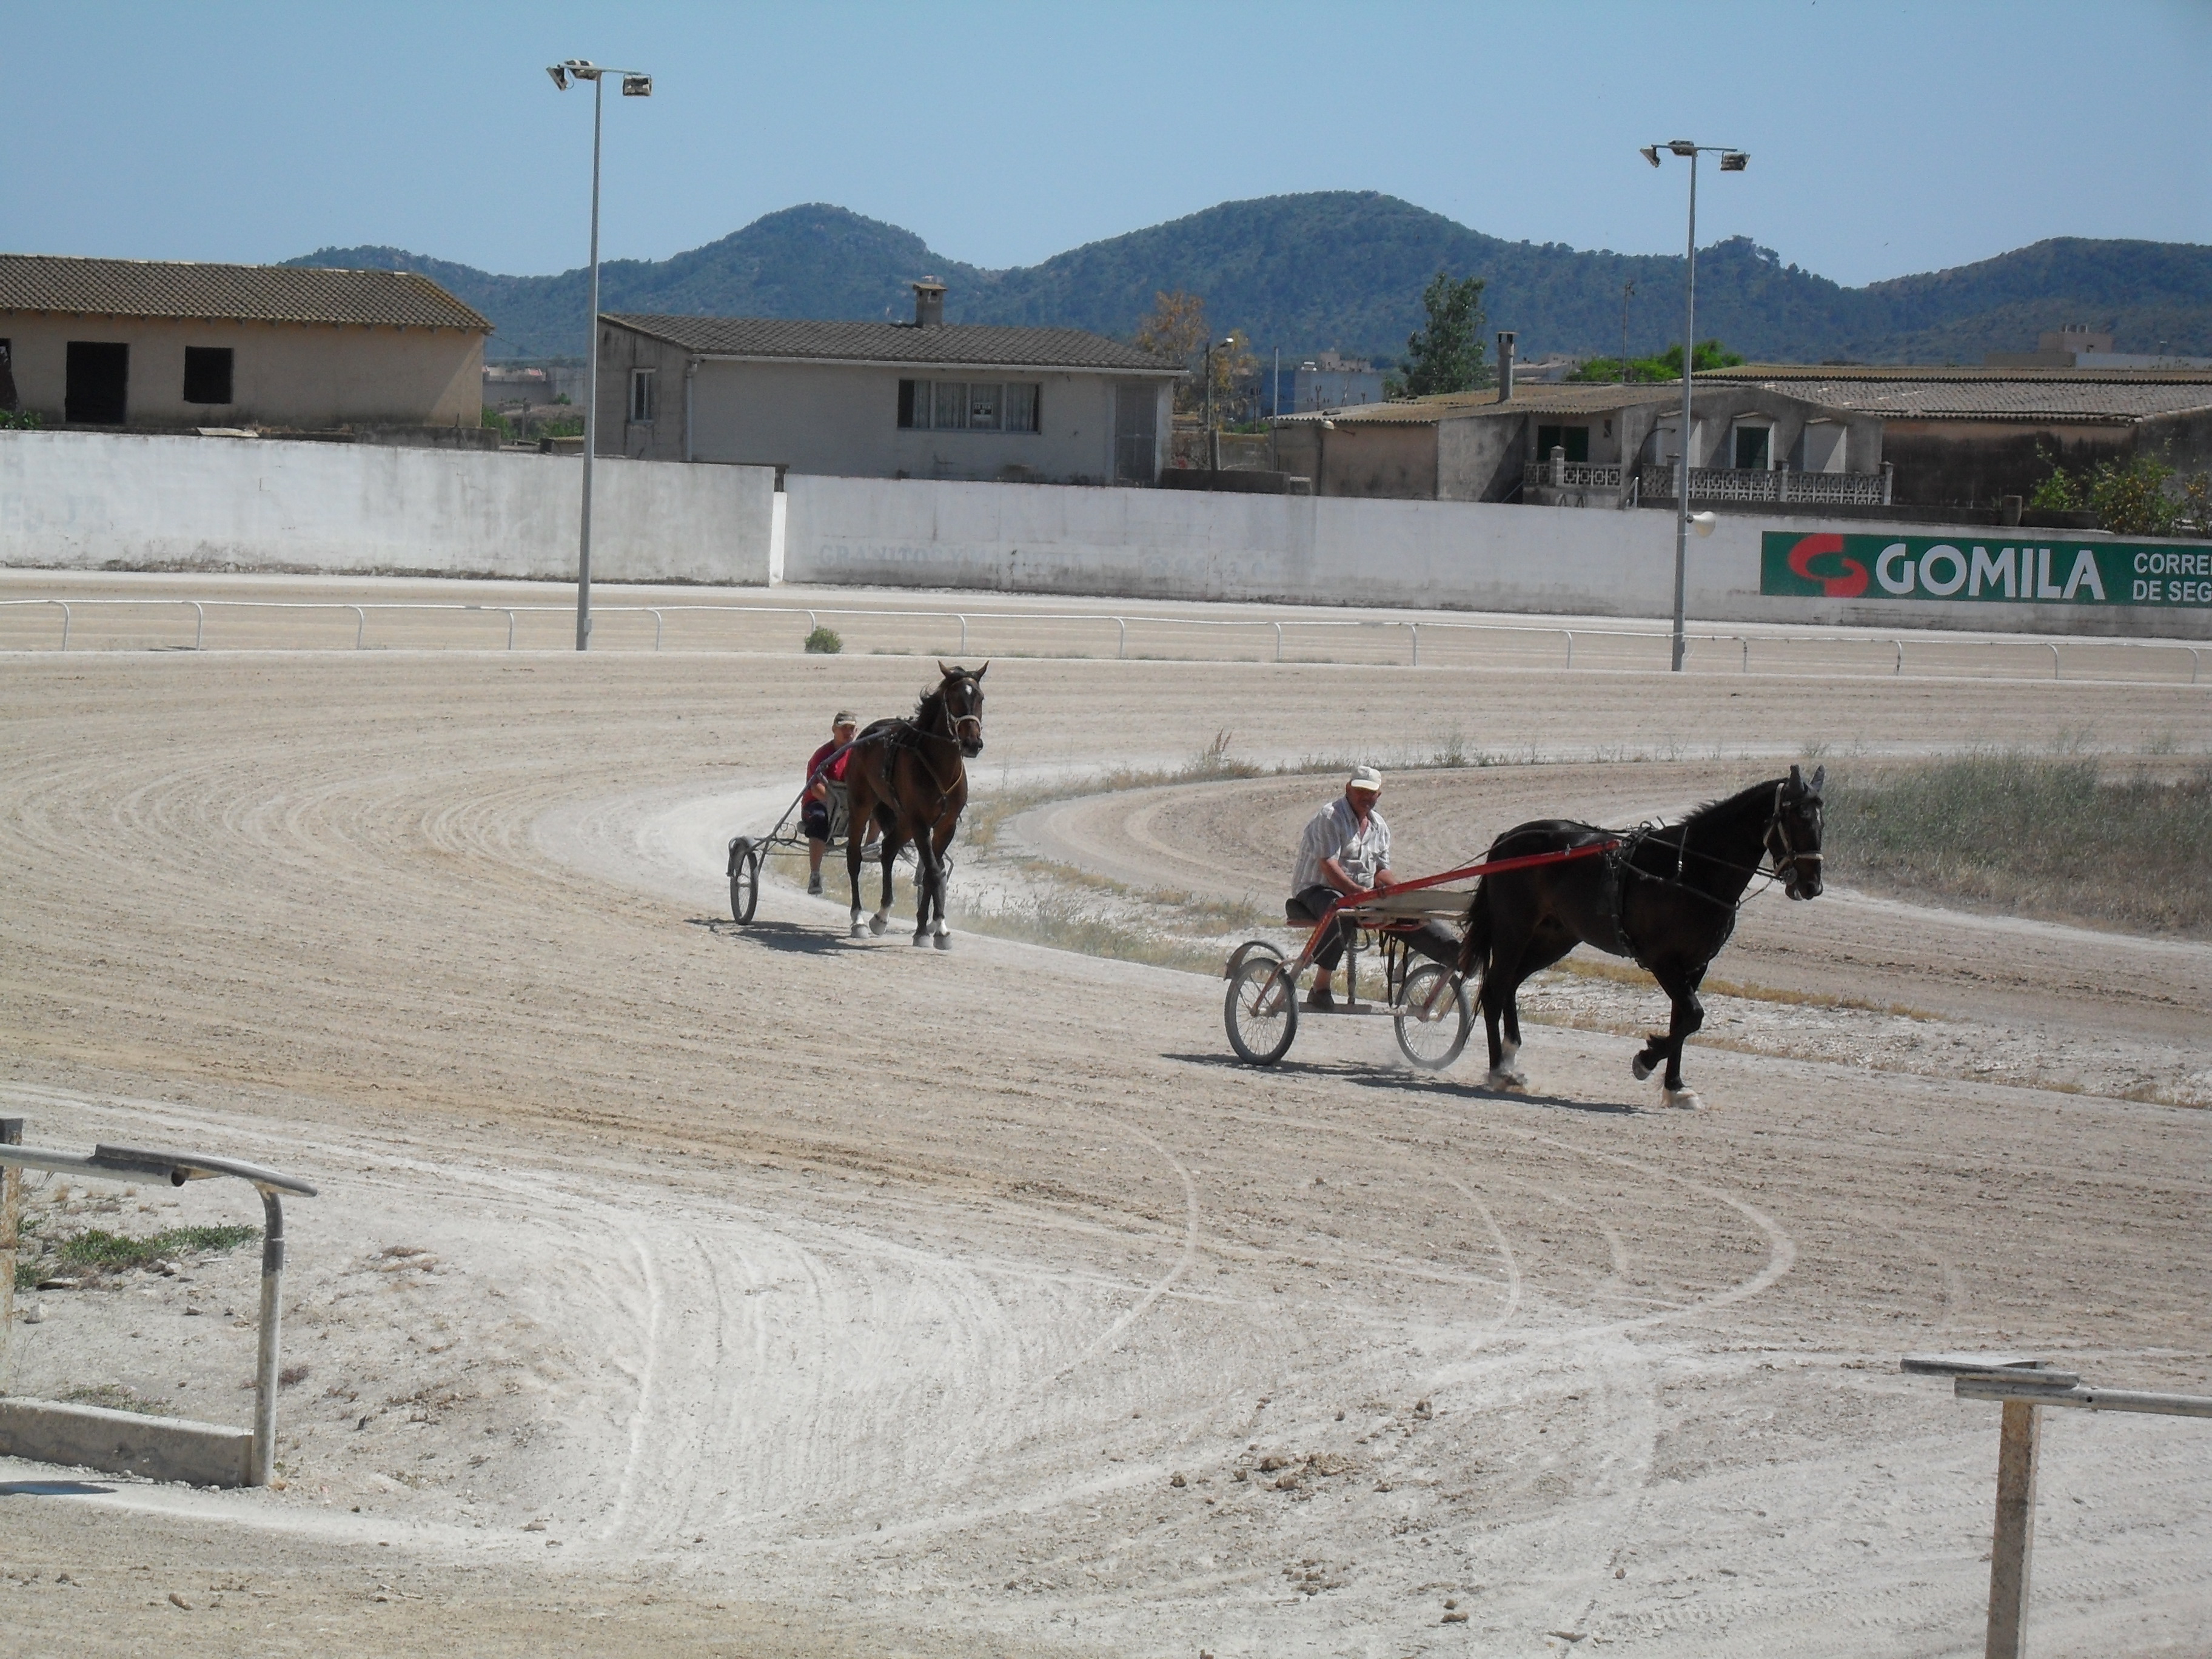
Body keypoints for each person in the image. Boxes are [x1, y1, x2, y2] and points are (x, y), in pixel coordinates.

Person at [1289, 765, 1458, 1012]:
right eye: (1360, 791)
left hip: (1361, 895)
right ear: (1348, 789)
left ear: (1379, 795)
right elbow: (1328, 865)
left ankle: (1457, 955)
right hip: (1316, 890)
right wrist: (1357, 894)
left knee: (1411, 914)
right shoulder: (1330, 817)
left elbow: (1381, 871)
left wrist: (1403, 896)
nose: (1366, 797)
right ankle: (1320, 987)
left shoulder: (1380, 827)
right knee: (1342, 908)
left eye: (1371, 793)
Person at [803, 712, 860, 895]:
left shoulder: (858, 754)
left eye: (851, 728)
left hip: (848, 806)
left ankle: (871, 847)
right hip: (819, 804)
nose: (847, 732)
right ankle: (815, 875)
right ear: (834, 729)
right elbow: (816, 789)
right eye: (843, 728)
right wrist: (837, 804)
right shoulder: (822, 755)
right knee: (820, 819)